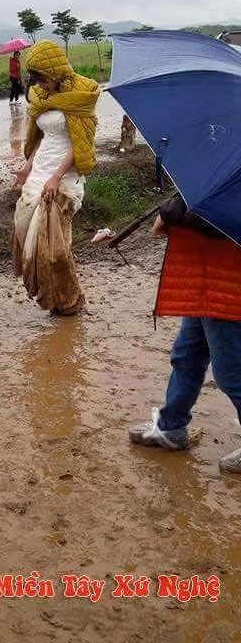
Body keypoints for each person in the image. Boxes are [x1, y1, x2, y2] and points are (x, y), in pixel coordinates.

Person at [129, 194, 241, 473]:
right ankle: (171, 426)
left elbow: (223, 213)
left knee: (231, 373)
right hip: (202, 276)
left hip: (228, 282)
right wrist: (176, 205)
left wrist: (171, 212)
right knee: (186, 355)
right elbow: (203, 194)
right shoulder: (223, 163)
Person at [12, 41, 99, 316]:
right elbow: (40, 136)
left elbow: (80, 143)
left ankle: (71, 299)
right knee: (30, 237)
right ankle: (57, 296)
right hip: (39, 171)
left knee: (53, 248)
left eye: (42, 77)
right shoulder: (40, 96)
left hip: (64, 176)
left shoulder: (81, 94)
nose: (39, 84)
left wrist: (56, 176)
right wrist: (27, 166)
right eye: (34, 78)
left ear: (54, 70)